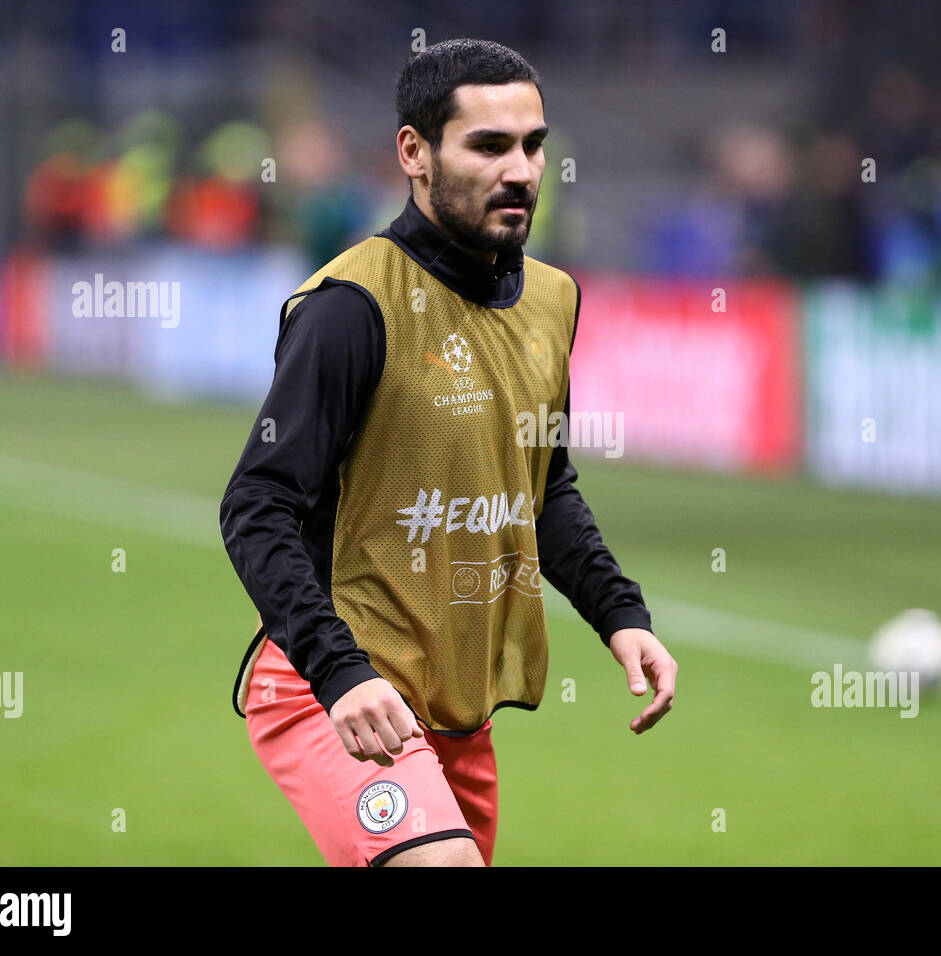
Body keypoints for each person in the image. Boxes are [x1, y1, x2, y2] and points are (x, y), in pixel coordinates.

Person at [219, 38, 677, 866]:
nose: (522, 171)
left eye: (534, 145)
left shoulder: (551, 300)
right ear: (414, 154)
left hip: (455, 707)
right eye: (489, 145)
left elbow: (543, 485)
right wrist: (340, 672)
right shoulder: (351, 308)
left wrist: (619, 614)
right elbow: (255, 506)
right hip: (330, 684)